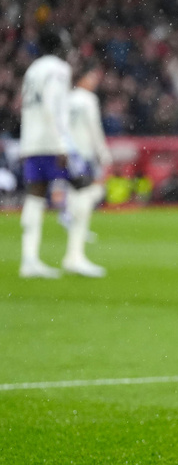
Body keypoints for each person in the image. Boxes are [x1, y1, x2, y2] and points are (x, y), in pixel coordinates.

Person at [18, 28, 105, 278]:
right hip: (53, 141)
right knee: (85, 188)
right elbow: (51, 106)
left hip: (31, 140)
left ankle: (29, 259)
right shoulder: (58, 69)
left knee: (35, 195)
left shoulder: (32, 69)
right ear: (59, 45)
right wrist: (61, 144)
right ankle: (74, 257)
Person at [64, 62, 113, 267]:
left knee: (75, 192)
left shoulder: (67, 98)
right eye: (91, 76)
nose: (94, 81)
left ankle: (70, 218)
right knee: (91, 191)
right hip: (83, 153)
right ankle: (75, 248)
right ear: (83, 78)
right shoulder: (89, 100)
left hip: (67, 152)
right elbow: (94, 128)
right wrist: (103, 153)